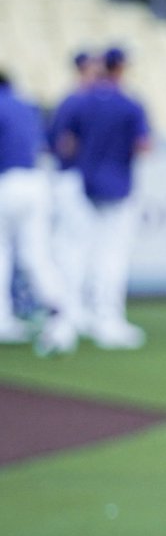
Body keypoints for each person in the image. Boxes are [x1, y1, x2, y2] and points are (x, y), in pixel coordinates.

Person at [60, 46, 153, 349]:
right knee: (112, 255)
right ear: (122, 68)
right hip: (118, 185)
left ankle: (71, 317)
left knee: (76, 252)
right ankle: (107, 319)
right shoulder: (129, 103)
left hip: (83, 183)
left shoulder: (80, 100)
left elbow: (64, 143)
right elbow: (144, 145)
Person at [0, 69, 74, 354]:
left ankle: (3, 319)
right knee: (37, 255)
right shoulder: (27, 104)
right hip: (36, 181)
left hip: (6, 182)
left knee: (2, 252)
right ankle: (61, 316)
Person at [45, 50, 99, 334]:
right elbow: (62, 142)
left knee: (82, 249)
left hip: (79, 180)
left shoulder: (88, 101)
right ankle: (69, 310)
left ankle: (78, 308)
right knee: (69, 249)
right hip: (68, 179)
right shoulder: (73, 100)